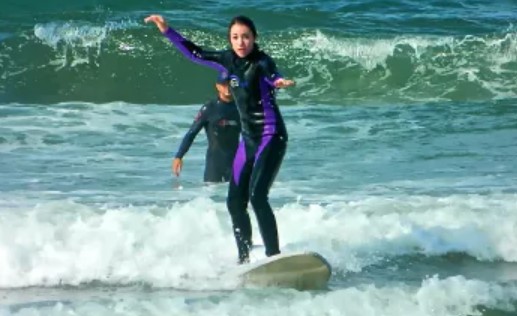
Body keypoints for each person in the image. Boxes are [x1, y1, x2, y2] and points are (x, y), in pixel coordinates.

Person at [145, 14, 295, 264]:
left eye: (246, 36)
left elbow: (273, 76)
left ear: (254, 38)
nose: (241, 42)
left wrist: (279, 82)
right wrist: (166, 30)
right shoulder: (227, 60)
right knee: (235, 202)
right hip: (248, 139)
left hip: (271, 135)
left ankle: (273, 256)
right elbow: (195, 53)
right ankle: (244, 260)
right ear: (230, 39)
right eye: (235, 37)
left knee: (258, 196)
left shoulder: (263, 61)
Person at [172, 73, 240, 183]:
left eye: (230, 84)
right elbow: (192, 133)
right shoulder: (209, 108)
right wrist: (179, 156)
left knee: (237, 198)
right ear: (217, 86)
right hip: (214, 164)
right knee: (212, 197)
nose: (227, 87)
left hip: (236, 163)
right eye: (223, 84)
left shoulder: (241, 108)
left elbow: (253, 135)